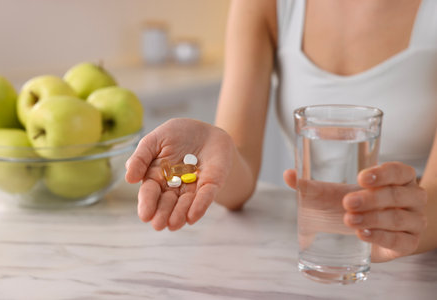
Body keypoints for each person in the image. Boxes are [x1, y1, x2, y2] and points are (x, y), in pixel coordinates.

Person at [125, 0, 437, 263]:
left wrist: (397, 227)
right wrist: (221, 153)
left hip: (419, 260)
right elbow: (239, 177)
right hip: (312, 254)